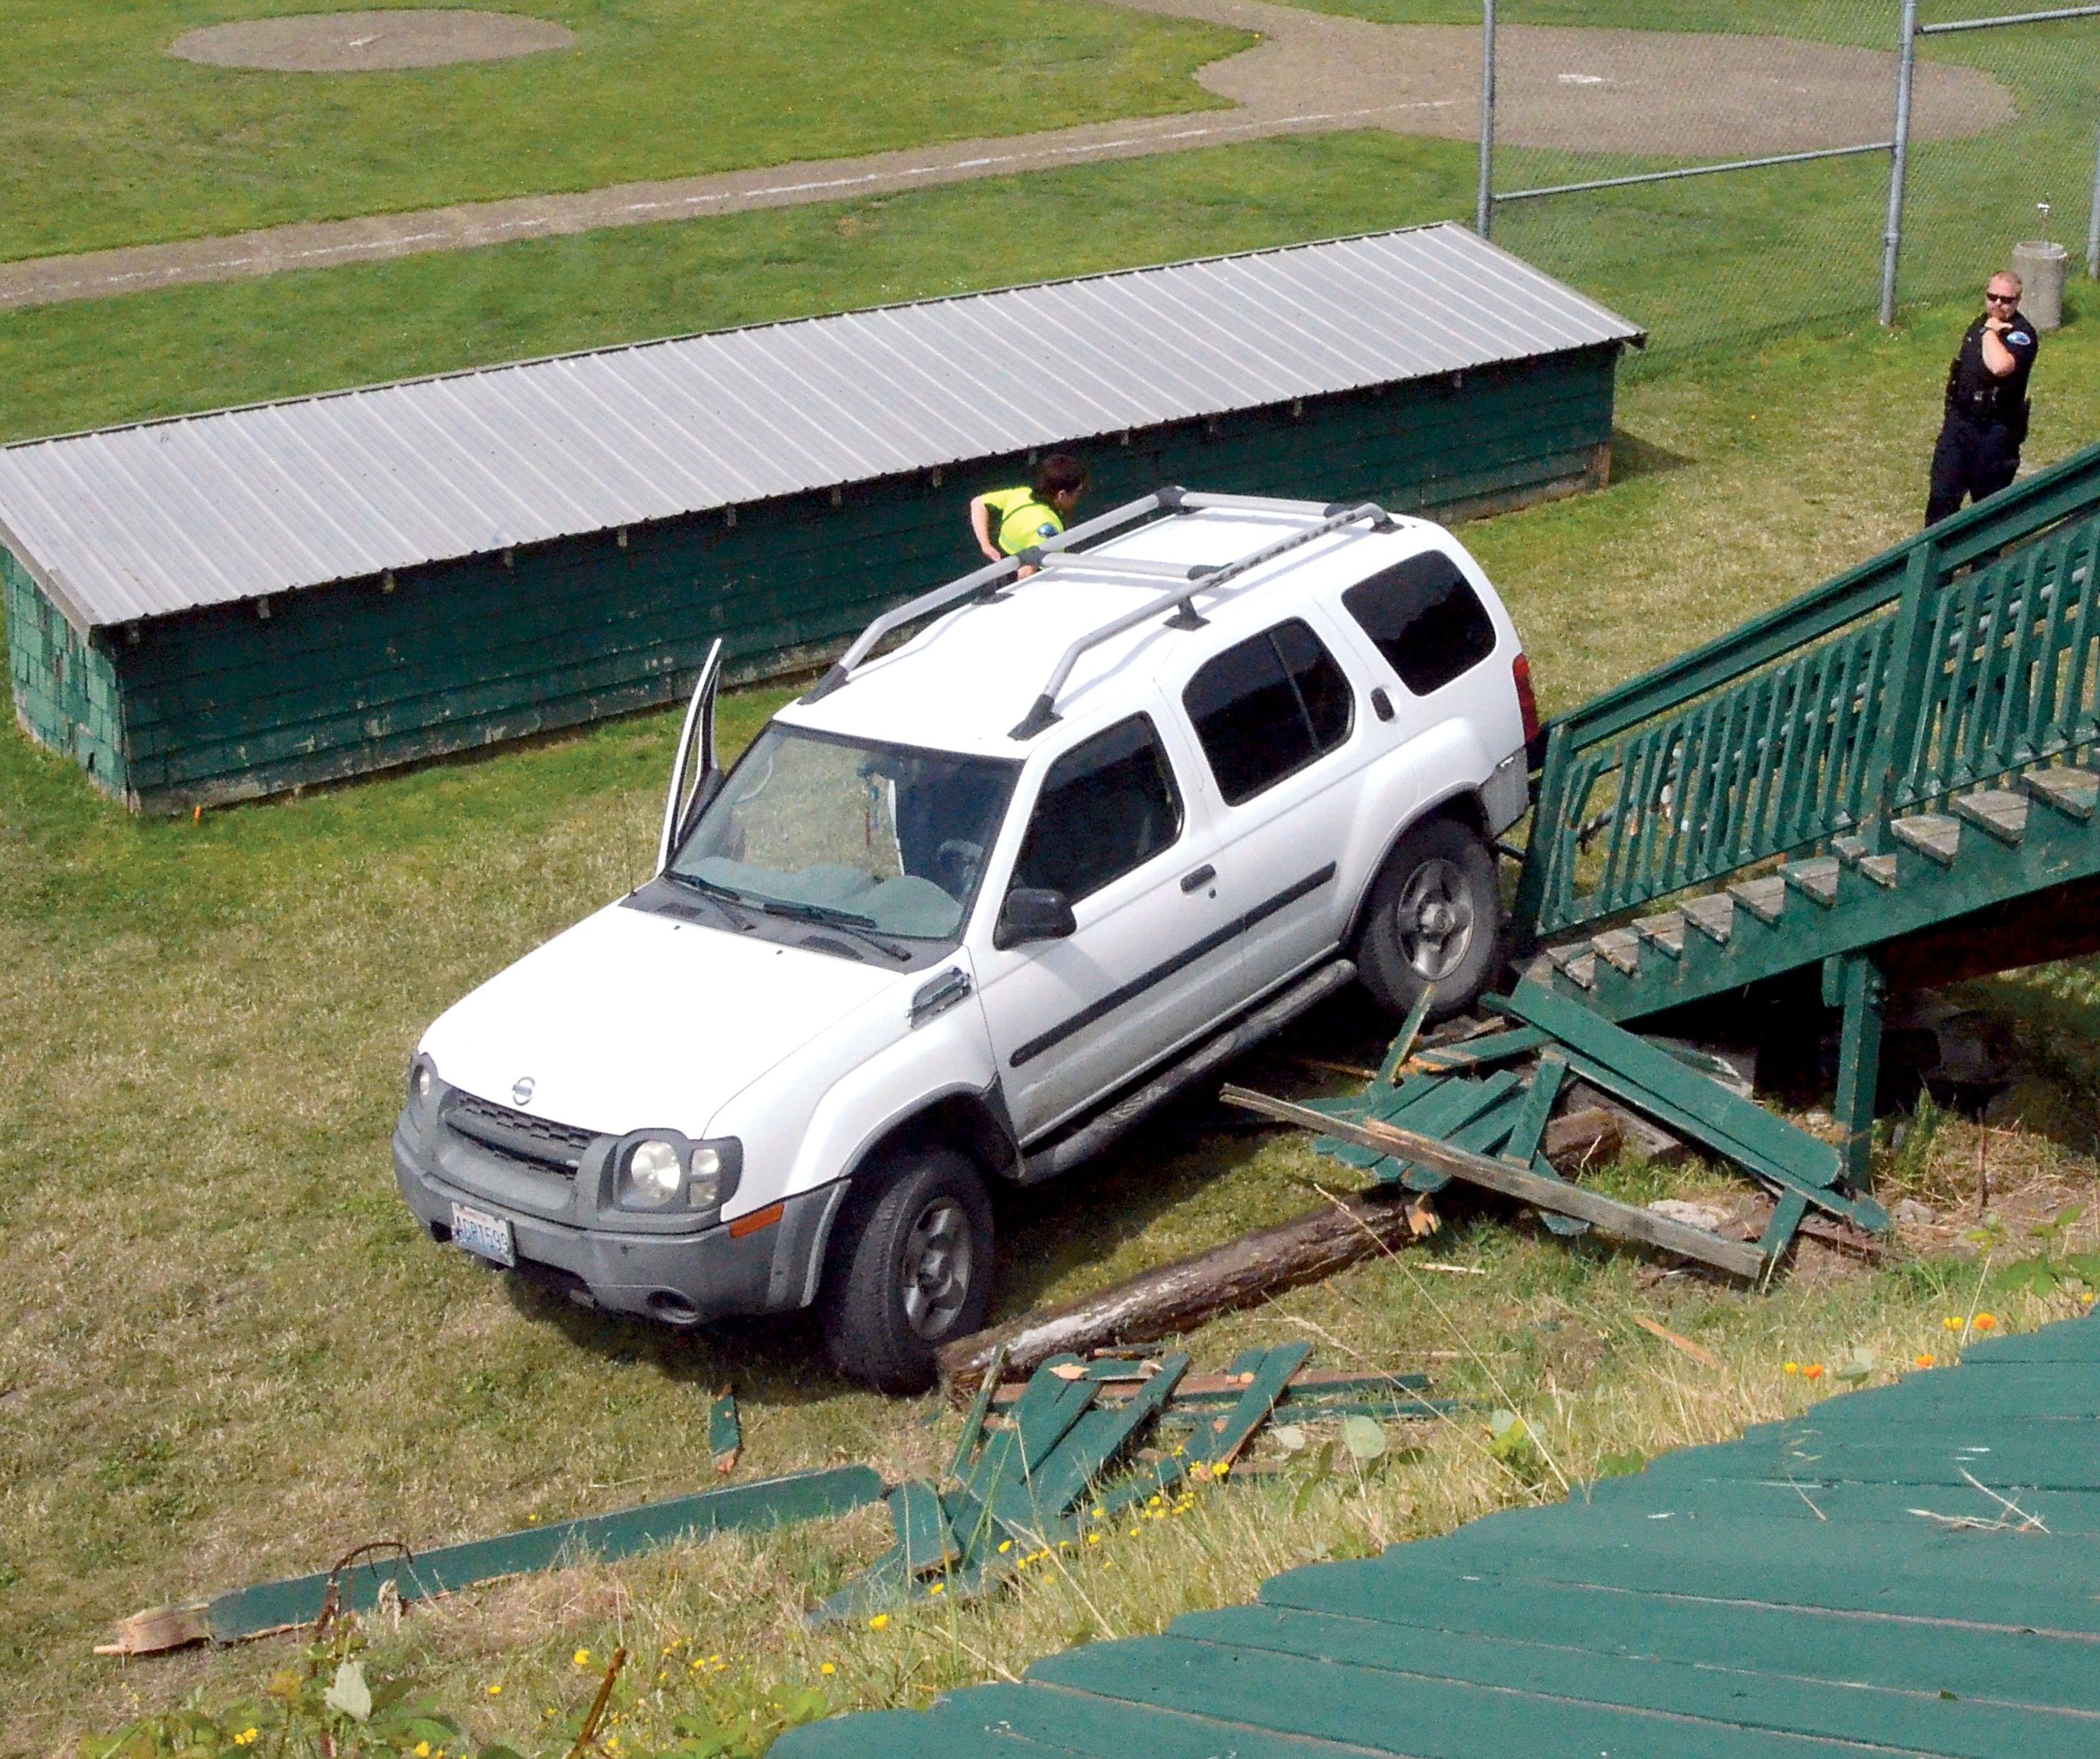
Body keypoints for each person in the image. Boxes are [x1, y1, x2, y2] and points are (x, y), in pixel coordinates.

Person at [1926, 270, 2039, 526]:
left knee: (1988, 510)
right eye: (1993, 297)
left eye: (2006, 300)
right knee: (1942, 499)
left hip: (1995, 433)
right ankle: (1936, 563)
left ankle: (1985, 565)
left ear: (2018, 301)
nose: (1998, 303)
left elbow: (2000, 366)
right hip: (1960, 425)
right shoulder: (1978, 324)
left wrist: (1990, 332)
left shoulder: (2021, 335)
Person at [970, 454, 1089, 575]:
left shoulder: (1021, 494)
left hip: (1001, 566)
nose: (1080, 497)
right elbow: (1027, 572)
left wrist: (986, 545)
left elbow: (977, 503)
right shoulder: (1048, 528)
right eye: (1079, 492)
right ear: (1062, 495)